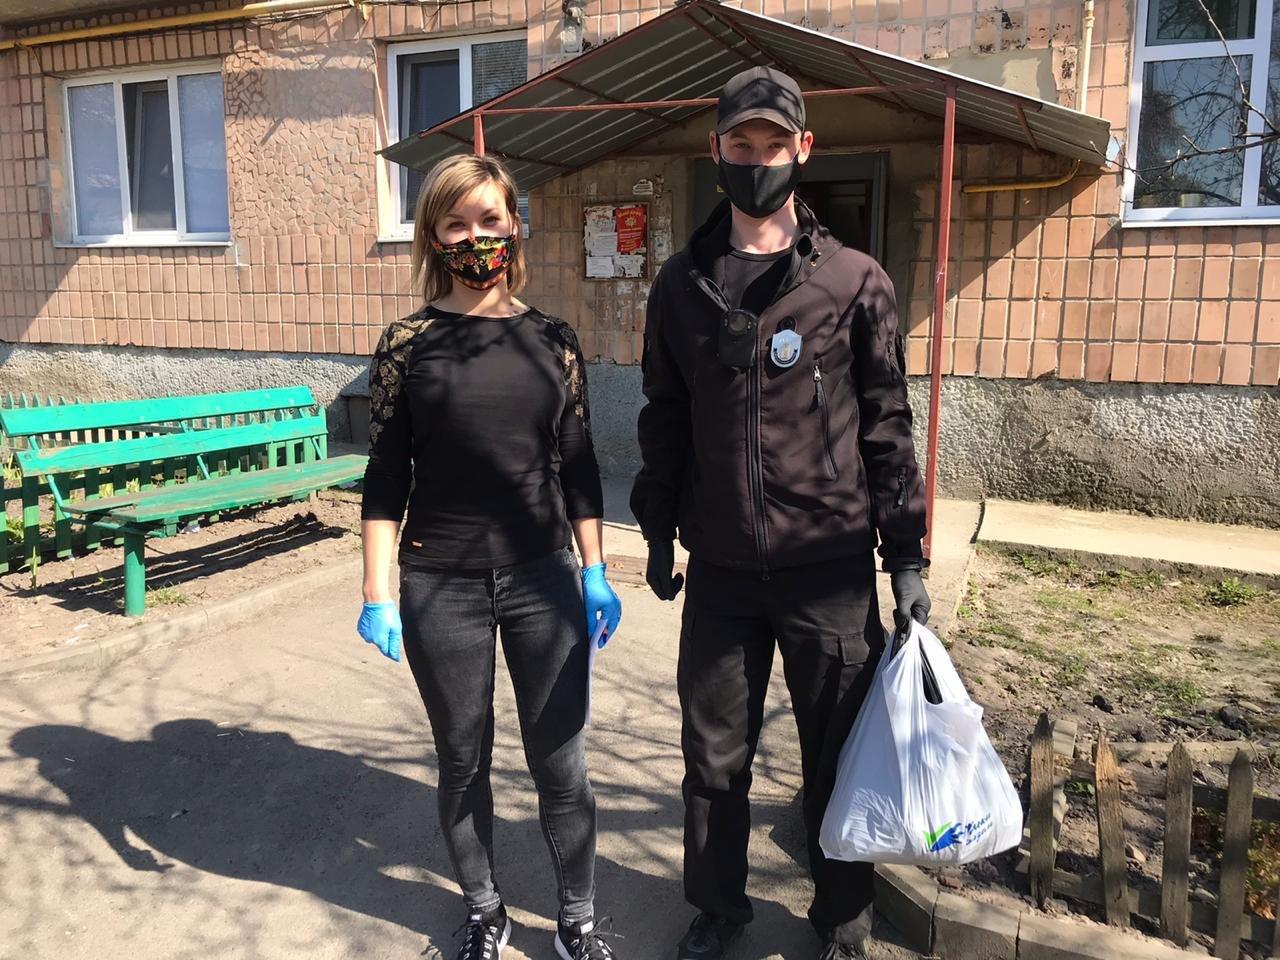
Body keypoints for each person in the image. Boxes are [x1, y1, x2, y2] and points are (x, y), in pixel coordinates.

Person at [630, 66, 932, 960]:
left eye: (773, 145)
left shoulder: (853, 280)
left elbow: (887, 421)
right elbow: (663, 415)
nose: (756, 161)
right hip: (722, 574)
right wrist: (658, 532)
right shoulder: (681, 285)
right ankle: (719, 908)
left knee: (836, 755)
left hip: (828, 571)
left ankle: (842, 917)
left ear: (804, 149)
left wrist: (905, 556)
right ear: (715, 149)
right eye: (741, 144)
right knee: (713, 760)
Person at [357, 153, 624, 960]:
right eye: (456, 223)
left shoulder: (553, 340)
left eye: (489, 219)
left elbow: (577, 464)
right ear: (433, 237)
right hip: (440, 584)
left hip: (545, 577)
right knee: (463, 762)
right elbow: (384, 477)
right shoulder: (407, 345)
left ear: (515, 225)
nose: (475, 237)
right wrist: (377, 592)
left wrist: (596, 570)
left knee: (561, 764)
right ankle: (485, 912)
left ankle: (577, 921)